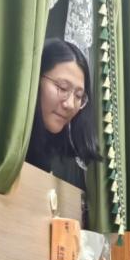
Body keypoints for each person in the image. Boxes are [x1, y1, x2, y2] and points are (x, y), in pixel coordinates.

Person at [26, 38, 101, 193]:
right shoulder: (12, 143)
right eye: (62, 87)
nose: (70, 105)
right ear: (35, 78)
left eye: (79, 96)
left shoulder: (65, 159)